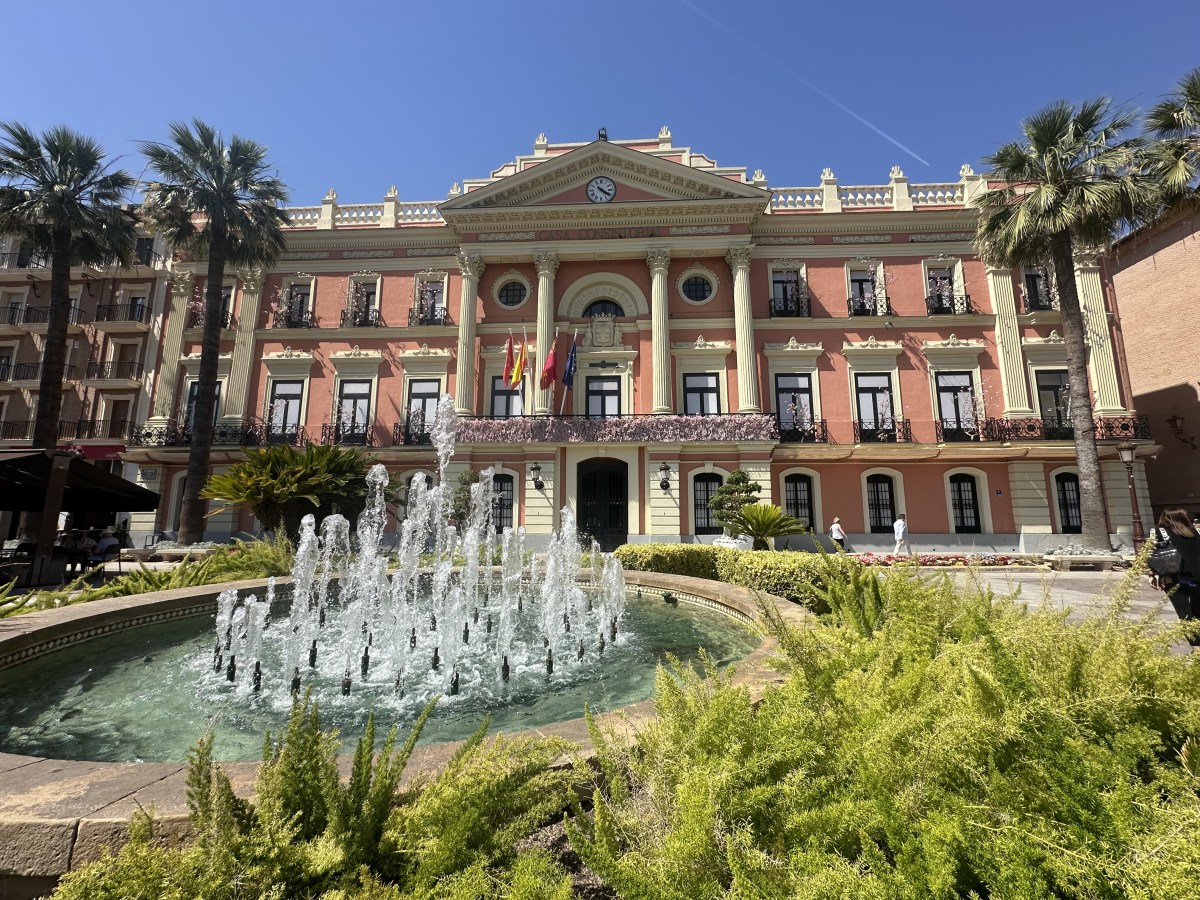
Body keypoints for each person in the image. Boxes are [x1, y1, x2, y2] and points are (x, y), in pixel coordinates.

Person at [1153, 507, 1200, 646]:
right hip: (1197, 578)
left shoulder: (1159, 532)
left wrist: (1153, 575)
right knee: (1197, 612)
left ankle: (1197, 647)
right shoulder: (1195, 531)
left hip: (1172, 578)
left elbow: (1155, 555)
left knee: (1184, 612)